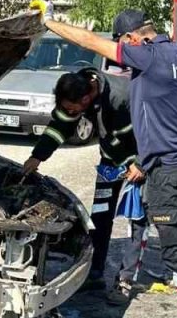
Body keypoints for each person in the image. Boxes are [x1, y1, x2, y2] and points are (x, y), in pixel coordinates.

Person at [35, 3, 177, 318]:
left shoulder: (147, 58)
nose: (124, 58)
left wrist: (47, 21)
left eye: (125, 47)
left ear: (134, 39)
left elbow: (89, 40)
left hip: (167, 172)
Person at [21, 68, 148, 304]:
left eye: (73, 108)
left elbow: (153, 129)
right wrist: (37, 156)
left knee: (136, 220)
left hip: (140, 164)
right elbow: (59, 126)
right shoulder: (75, 88)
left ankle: (125, 281)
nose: (70, 112)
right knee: (99, 216)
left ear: (87, 98)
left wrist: (140, 163)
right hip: (111, 162)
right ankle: (94, 274)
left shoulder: (123, 96)